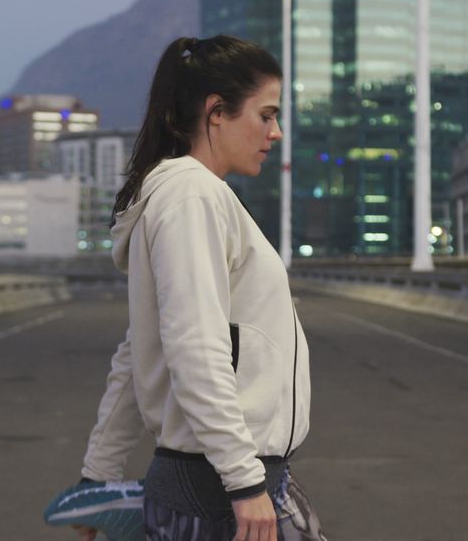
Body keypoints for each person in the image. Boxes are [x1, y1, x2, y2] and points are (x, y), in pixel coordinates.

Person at [74, 34, 326, 541]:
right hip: (219, 494)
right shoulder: (192, 196)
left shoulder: (194, 196)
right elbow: (193, 346)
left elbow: (142, 351)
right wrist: (243, 483)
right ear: (216, 112)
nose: (275, 133)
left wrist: (97, 476)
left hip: (229, 485)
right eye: (266, 114)